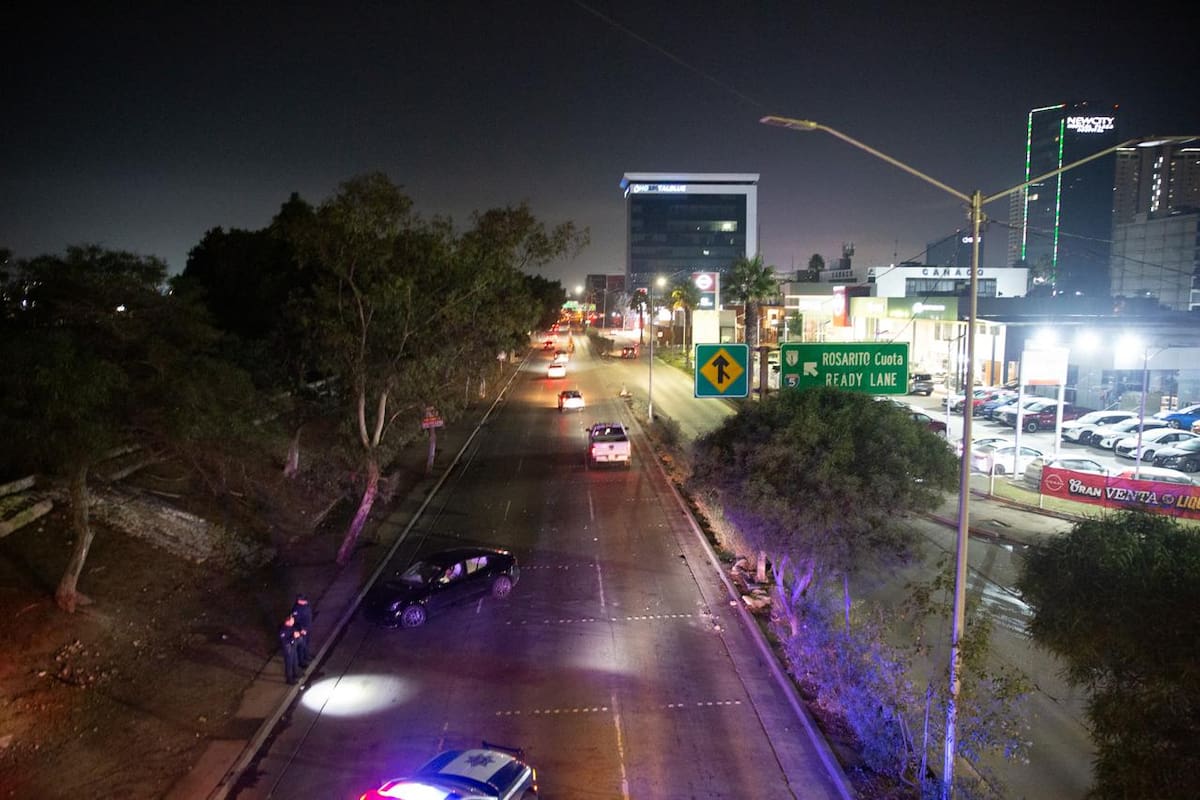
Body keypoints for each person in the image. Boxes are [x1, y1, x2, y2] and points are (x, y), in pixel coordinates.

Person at [291, 594, 312, 668]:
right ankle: (301, 662)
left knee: (307, 644)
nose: (306, 601)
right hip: (302, 630)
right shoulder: (296, 609)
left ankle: (306, 656)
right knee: (301, 646)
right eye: (304, 600)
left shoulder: (306, 605)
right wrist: (302, 629)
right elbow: (296, 621)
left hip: (308, 627)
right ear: (299, 601)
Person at [279, 614, 300, 685]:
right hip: (288, 649)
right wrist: (293, 638)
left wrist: (297, 634)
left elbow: (294, 633)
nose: (293, 621)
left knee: (295, 661)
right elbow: (284, 641)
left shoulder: (291, 627)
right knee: (289, 664)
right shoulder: (283, 630)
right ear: (287, 622)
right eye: (292, 620)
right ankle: (289, 679)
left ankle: (296, 674)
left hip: (293, 647)